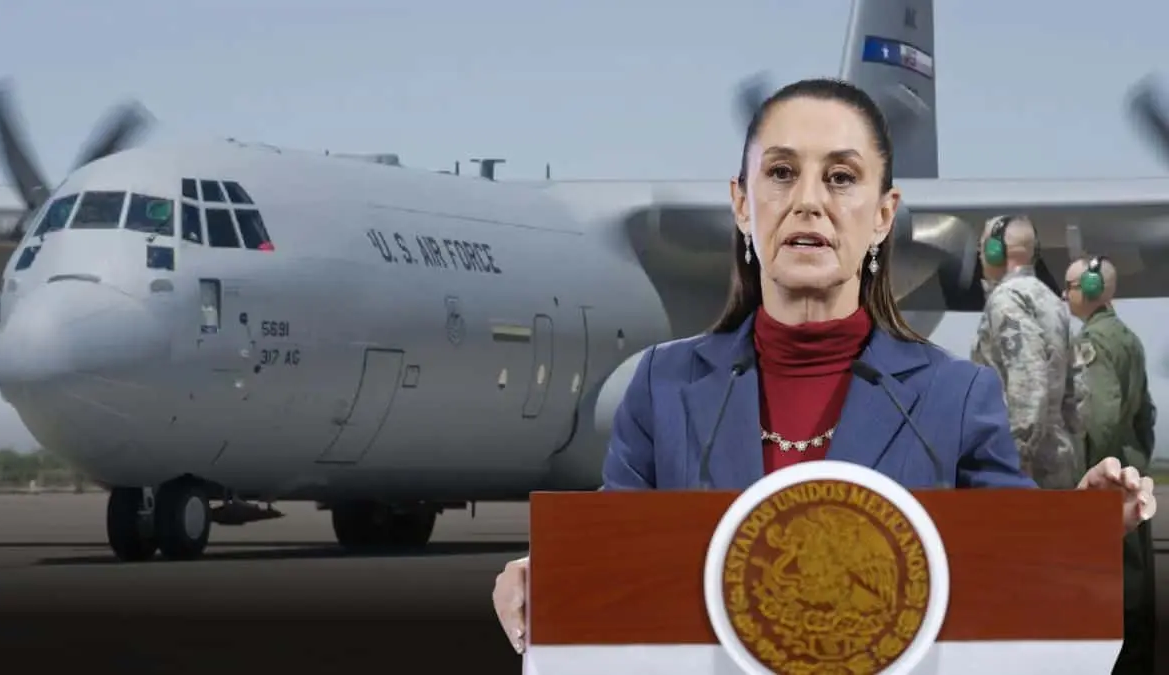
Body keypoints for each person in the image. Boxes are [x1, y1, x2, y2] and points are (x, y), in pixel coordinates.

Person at [492, 78, 1157, 654]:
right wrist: (543, 574)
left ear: (884, 216)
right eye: (781, 172)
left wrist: (1080, 522)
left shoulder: (958, 397)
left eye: (841, 177)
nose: (809, 200)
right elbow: (617, 547)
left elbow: (1012, 559)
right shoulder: (664, 387)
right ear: (742, 203)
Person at [1064, 255, 1157, 674]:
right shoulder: (1129, 337)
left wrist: (1101, 469)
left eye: (1068, 286)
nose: (1066, 294)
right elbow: (1146, 413)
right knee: (1138, 573)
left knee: (1115, 575)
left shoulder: (1093, 341)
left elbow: (1100, 418)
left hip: (1110, 471)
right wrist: (1138, 455)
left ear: (1087, 288)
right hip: (1132, 461)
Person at [969, 215, 1086, 489]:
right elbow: (1077, 390)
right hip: (1058, 461)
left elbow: (1029, 382)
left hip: (1024, 470)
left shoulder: (1006, 300)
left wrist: (1015, 459)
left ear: (995, 251)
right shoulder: (1052, 301)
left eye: (982, 247)